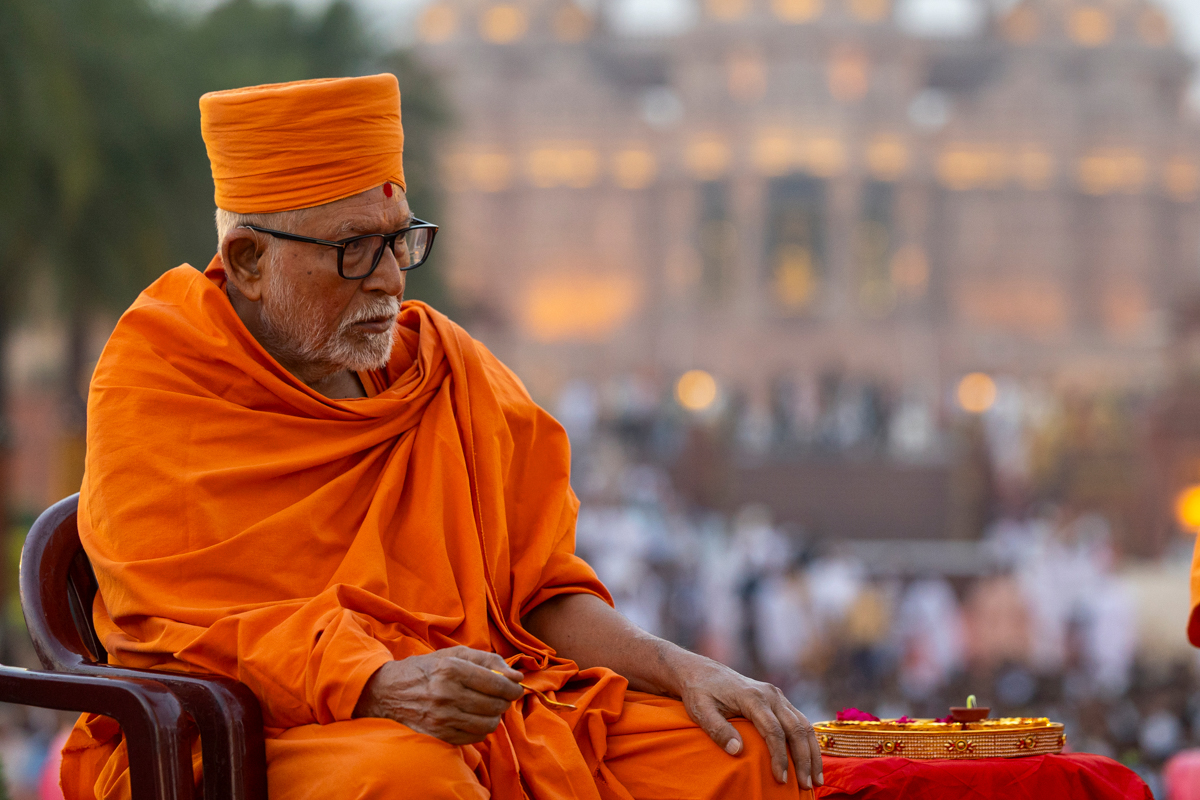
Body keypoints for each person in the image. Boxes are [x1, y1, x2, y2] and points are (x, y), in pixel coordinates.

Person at [58, 74, 821, 800]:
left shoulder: (443, 369)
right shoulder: (159, 379)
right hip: (262, 735)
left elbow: (541, 596)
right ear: (250, 261)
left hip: (487, 719)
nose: (391, 280)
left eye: (400, 242)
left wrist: (682, 669)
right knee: (410, 776)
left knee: (752, 756)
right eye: (355, 249)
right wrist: (374, 683)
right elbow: (179, 629)